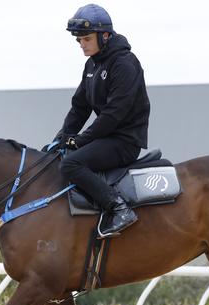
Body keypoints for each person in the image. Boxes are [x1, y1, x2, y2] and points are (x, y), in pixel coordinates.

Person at [50, 3, 150, 238]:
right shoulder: (92, 64)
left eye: (86, 39)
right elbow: (79, 107)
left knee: (70, 164)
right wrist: (61, 139)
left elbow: (114, 113)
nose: (82, 44)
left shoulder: (125, 64)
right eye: (78, 40)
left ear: (105, 35)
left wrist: (81, 140)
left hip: (125, 141)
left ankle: (119, 208)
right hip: (105, 138)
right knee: (57, 158)